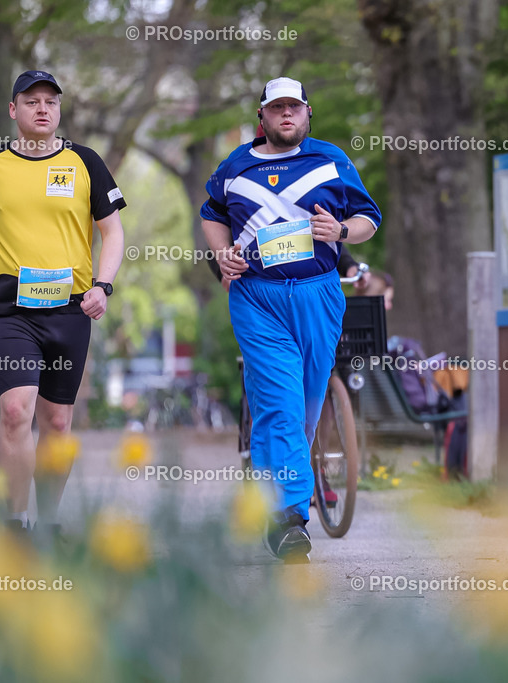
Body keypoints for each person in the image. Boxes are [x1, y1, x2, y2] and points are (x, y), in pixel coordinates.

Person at [201, 76, 381, 563]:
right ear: (262, 116)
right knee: (280, 407)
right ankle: (290, 520)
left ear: (307, 115)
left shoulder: (330, 159)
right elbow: (211, 213)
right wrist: (222, 256)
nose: (287, 115)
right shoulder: (235, 165)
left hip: (319, 295)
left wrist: (341, 229)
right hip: (258, 298)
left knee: (301, 410)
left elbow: (368, 218)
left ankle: (272, 497)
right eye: (277, 108)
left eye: (295, 108)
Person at [0, 70, 126, 532]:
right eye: (31, 101)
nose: (42, 108)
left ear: (59, 110)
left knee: (58, 422)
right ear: (13, 110)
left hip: (70, 307)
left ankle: (48, 522)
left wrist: (102, 285)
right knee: (15, 410)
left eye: (50, 101)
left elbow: (113, 231)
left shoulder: (86, 162)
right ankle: (15, 520)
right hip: (11, 309)